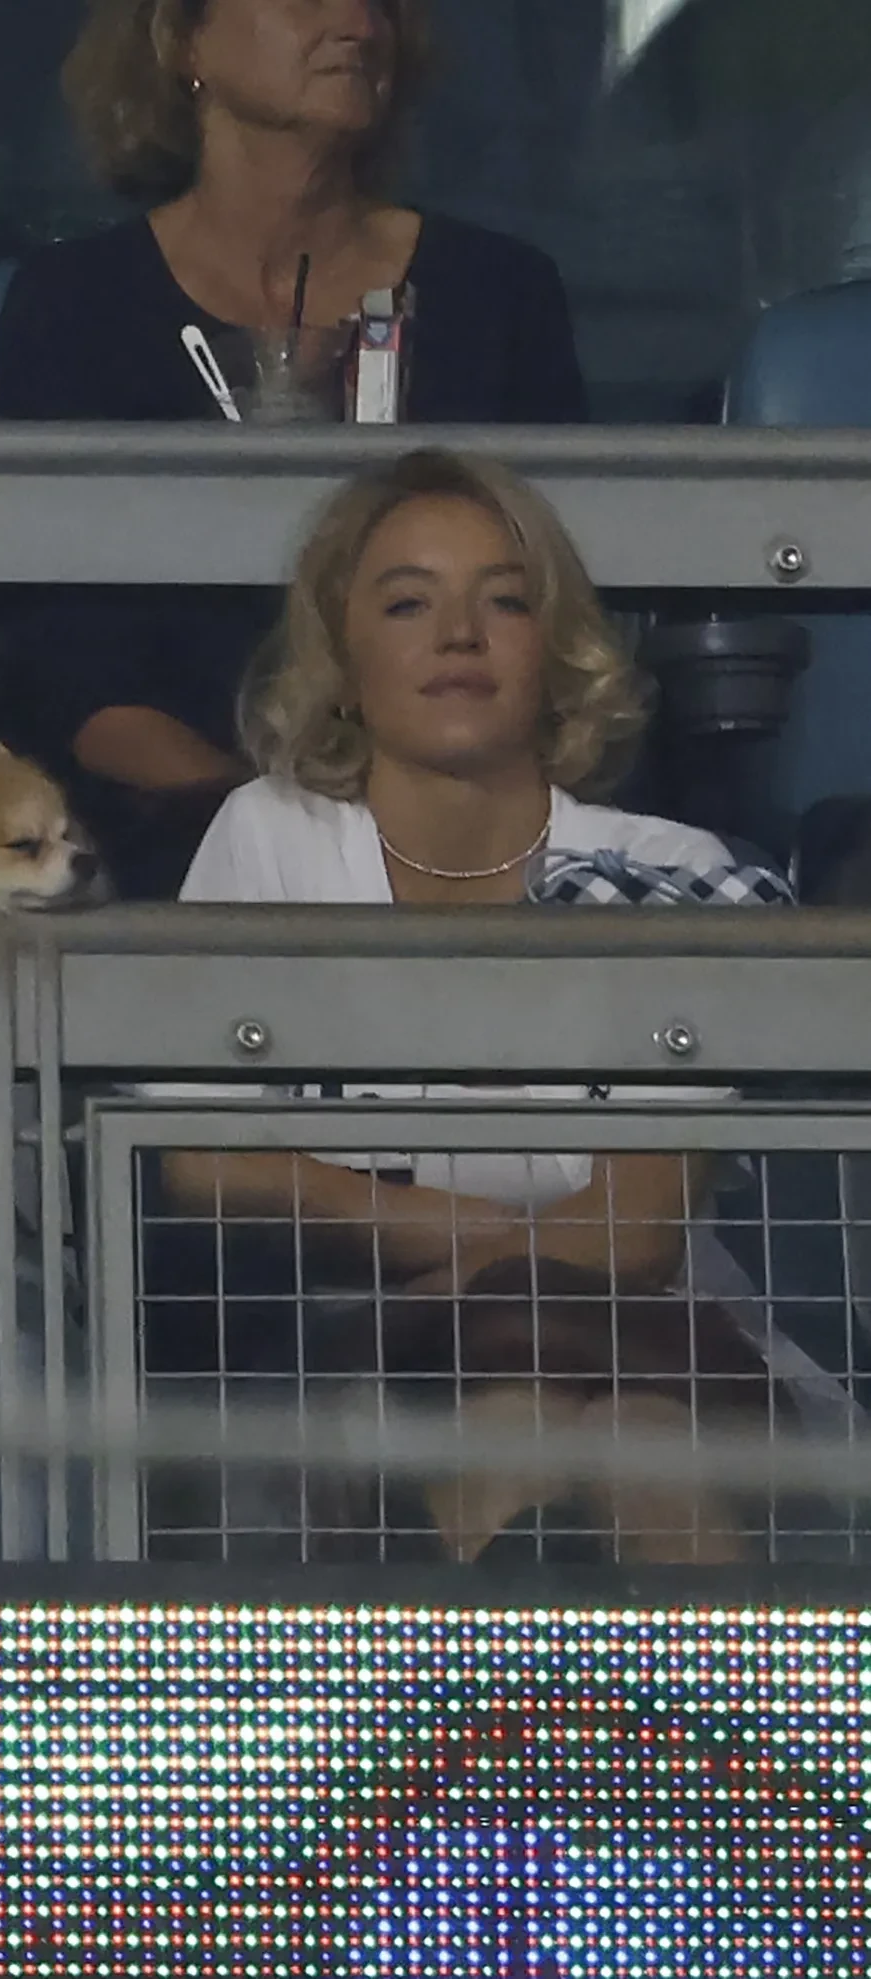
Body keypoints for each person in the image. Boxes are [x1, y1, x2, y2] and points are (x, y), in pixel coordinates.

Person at [154, 447, 847, 1564]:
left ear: (555, 649)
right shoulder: (272, 835)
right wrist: (476, 1249)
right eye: (407, 602)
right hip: (384, 1348)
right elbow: (205, 1165)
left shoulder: (663, 868)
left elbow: (637, 1232)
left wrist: (447, 1265)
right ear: (342, 657)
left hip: (647, 1340)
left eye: (504, 601)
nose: (458, 635)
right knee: (530, 1412)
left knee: (632, 1433)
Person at [0, 0, 587, 897]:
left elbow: (554, 620)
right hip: (159, 841)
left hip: (456, 833)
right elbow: (66, 672)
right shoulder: (70, 306)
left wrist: (394, 826)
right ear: (181, 38)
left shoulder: (499, 295)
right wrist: (282, 827)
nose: (357, 23)